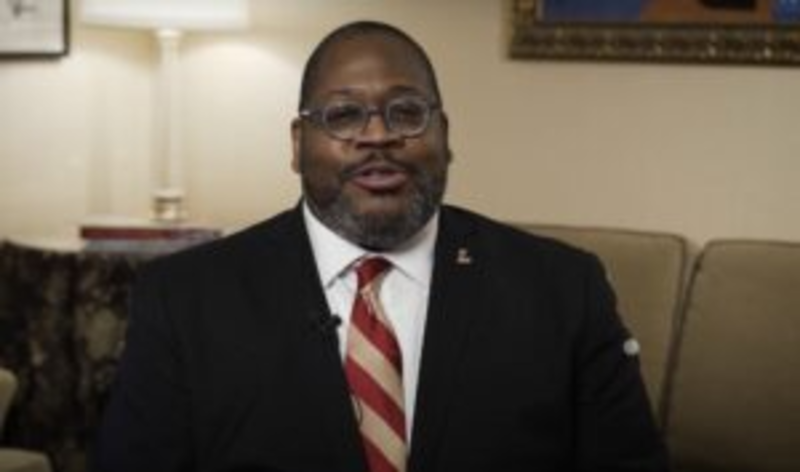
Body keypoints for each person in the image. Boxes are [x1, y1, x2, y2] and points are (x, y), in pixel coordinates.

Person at [93, 20, 669, 472]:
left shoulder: (563, 290)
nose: (377, 136)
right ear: (297, 144)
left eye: (407, 112)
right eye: (344, 115)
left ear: (445, 136)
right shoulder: (185, 299)